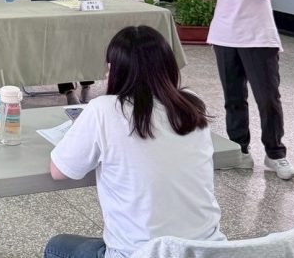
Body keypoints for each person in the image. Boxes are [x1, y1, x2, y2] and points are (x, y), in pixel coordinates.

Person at [44, 26, 224, 258]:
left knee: (57, 246)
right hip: (208, 251)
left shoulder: (104, 109)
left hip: (138, 253)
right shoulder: (191, 104)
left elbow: (59, 171)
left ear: (116, 70)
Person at [192, 0, 294, 180]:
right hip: (224, 35)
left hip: (258, 36)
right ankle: (239, 150)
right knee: (233, 98)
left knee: (268, 99)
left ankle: (276, 154)